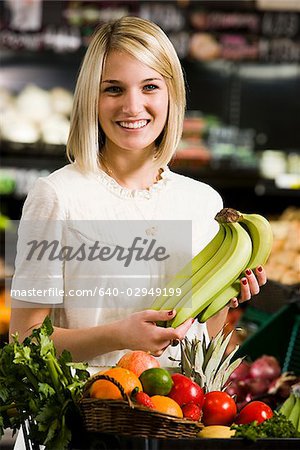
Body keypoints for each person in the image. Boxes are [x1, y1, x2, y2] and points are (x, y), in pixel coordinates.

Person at [9, 16, 266, 371]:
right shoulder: (56, 195)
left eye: (149, 87)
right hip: (90, 413)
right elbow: (23, 339)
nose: (132, 106)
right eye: (113, 89)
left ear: (171, 94)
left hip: (177, 414)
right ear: (92, 98)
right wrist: (119, 336)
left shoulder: (203, 202)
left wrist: (227, 296)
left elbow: (203, 336)